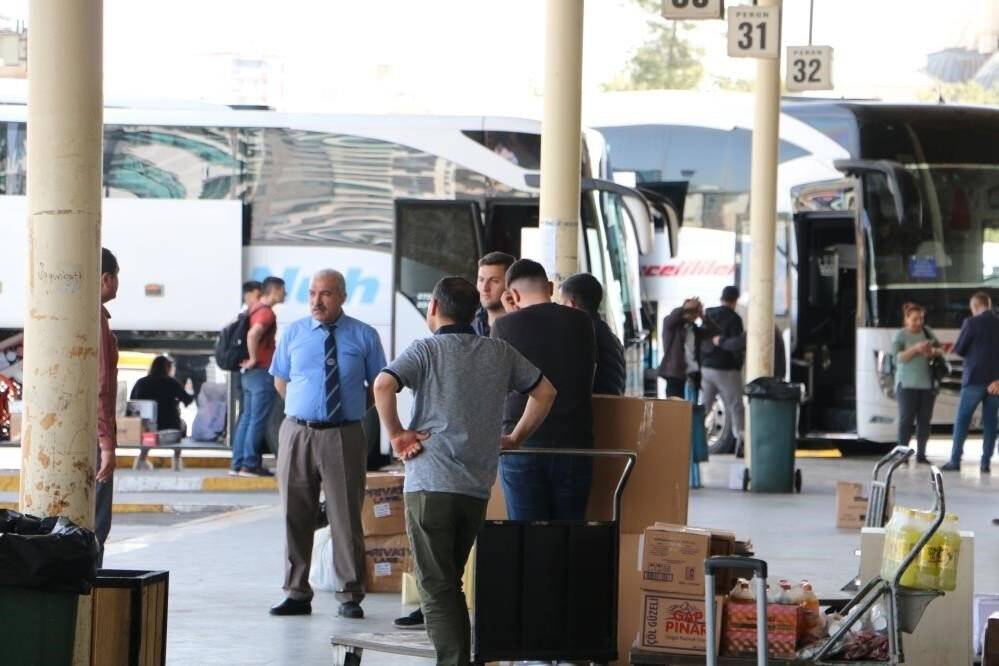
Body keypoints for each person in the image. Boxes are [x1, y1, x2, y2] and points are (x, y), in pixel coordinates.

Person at [374, 276, 556, 666]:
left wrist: (397, 435)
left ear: (434, 308)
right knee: (449, 583)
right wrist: (517, 436)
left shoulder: (426, 349)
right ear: (474, 312)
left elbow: (383, 385)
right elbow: (545, 392)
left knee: (436, 587)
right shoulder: (499, 352)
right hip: (475, 488)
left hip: (430, 485)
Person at [268, 269, 386, 620]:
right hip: (297, 432)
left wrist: (343, 411)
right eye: (312, 294)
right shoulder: (294, 333)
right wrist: (306, 411)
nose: (318, 301)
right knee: (295, 512)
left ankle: (350, 592)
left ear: (342, 297)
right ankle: (296, 591)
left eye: (327, 294)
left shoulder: (364, 335)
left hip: (344, 433)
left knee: (345, 515)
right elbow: (280, 380)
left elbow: (377, 386)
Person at [492, 259, 596, 521]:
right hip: (575, 444)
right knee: (570, 536)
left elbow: (498, 383)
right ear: (550, 287)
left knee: (527, 537)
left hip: (523, 442)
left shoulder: (504, 326)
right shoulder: (583, 322)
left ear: (512, 295)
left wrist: (510, 314)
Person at [230, 276, 286, 477]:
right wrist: (254, 358)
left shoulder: (252, 309)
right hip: (261, 371)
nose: (285, 294)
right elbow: (253, 334)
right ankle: (250, 465)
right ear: (274, 290)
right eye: (282, 290)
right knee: (257, 419)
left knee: (246, 417)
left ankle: (238, 463)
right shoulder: (266, 313)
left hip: (248, 374)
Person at [942, 292, 999, 472]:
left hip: (974, 379)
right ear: (988, 305)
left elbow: (959, 349)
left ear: (974, 306)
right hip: (995, 383)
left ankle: (955, 460)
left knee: (963, 420)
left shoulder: (971, 323)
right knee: (990, 423)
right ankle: (985, 463)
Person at [558, 272, 626, 396]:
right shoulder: (611, 336)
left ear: (571, 304)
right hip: (613, 408)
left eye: (562, 303)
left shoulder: (583, 334)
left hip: (597, 410)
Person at [892, 303, 942, 465]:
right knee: (906, 420)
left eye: (921, 319)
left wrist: (931, 352)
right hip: (906, 384)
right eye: (915, 319)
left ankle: (921, 454)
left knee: (924, 421)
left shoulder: (927, 332)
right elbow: (897, 358)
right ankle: (903, 454)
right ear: (906, 319)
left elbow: (940, 351)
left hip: (927, 385)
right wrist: (915, 349)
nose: (918, 322)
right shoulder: (900, 335)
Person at [96, 247, 120, 566]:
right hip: (92, 437)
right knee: (95, 526)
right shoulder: (97, 321)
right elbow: (100, 384)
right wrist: (107, 444)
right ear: (106, 279)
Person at [701, 286, 746, 448]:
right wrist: (737, 366)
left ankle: (691, 439)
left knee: (704, 407)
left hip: (706, 368)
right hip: (726, 369)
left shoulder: (709, 315)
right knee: (736, 406)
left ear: (722, 298)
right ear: (735, 300)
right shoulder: (734, 319)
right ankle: (742, 442)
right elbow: (737, 347)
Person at [130, 355, 195, 469]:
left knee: (148, 428)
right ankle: (176, 460)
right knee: (183, 425)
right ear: (167, 368)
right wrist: (189, 389)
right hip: (170, 430)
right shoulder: (172, 382)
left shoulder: (141, 383)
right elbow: (188, 400)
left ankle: (141, 459)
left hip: (147, 431)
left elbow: (132, 404)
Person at [657, 297, 720, 399]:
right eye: (691, 311)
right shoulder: (671, 325)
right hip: (675, 373)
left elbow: (715, 331)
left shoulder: (694, 329)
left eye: (695, 312)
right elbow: (674, 316)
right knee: (674, 405)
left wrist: (702, 316)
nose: (693, 314)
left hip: (693, 373)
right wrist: (688, 307)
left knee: (691, 405)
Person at [473, 252, 516, 337]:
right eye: (481, 280)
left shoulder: (523, 325)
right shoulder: (470, 324)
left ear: (511, 284)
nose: (485, 288)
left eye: (494, 281)